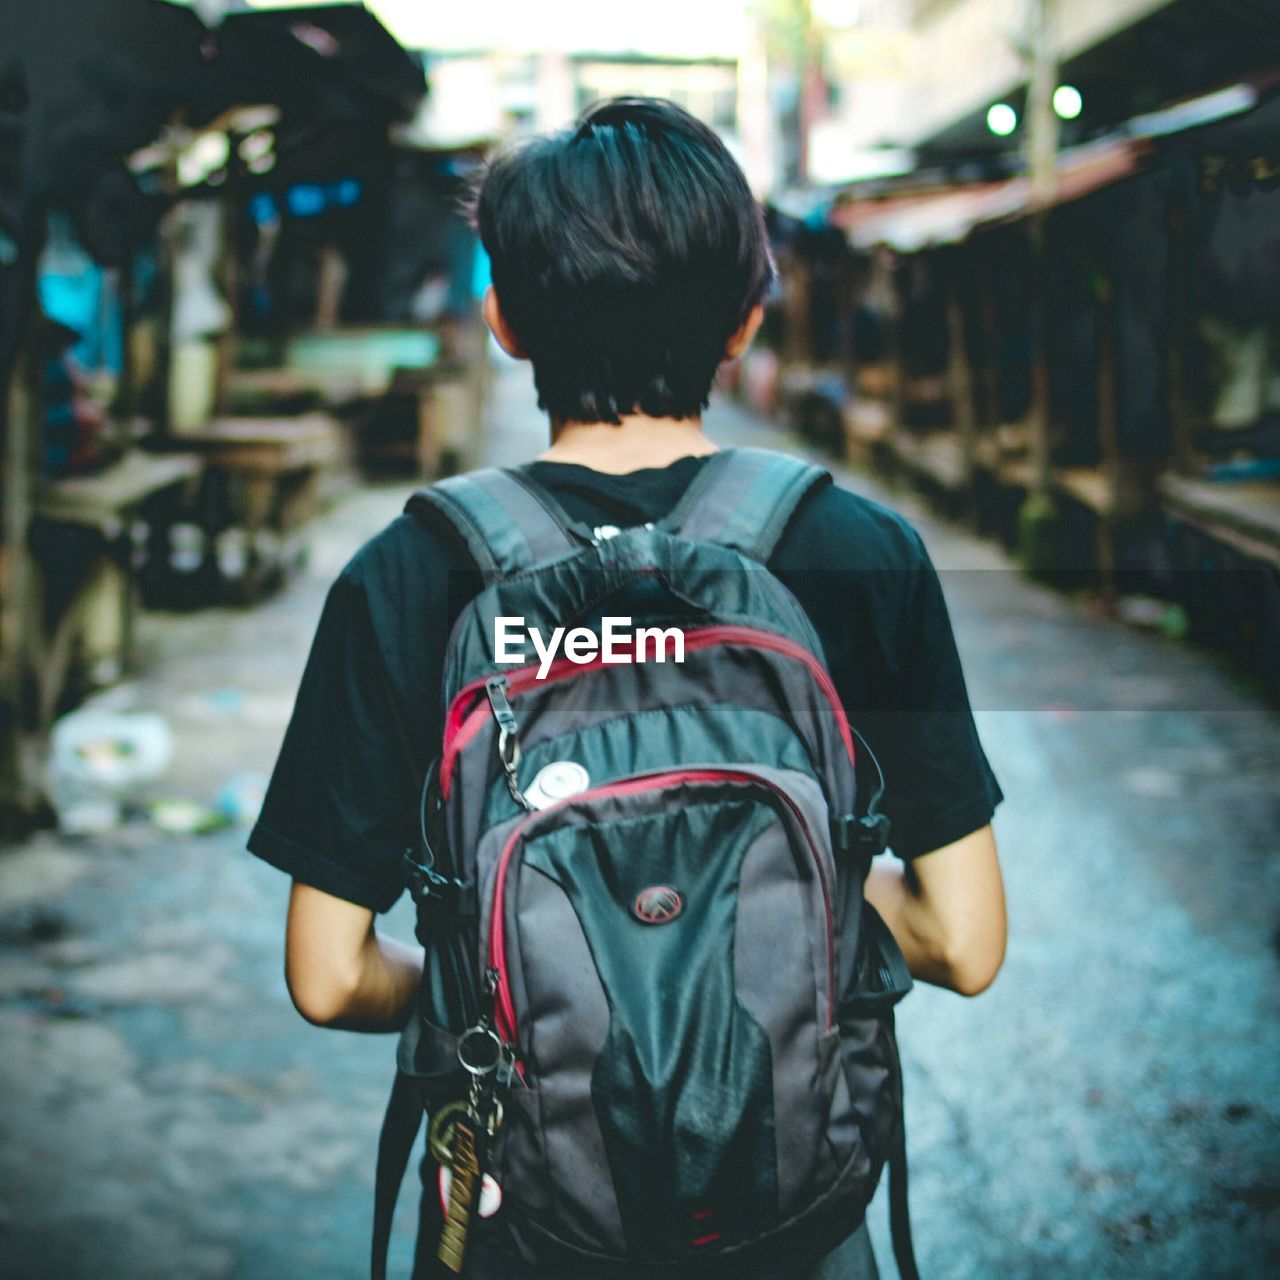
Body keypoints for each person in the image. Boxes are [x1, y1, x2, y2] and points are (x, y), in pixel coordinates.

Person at [249, 97, 1007, 1279]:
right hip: (792, 1221)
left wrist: (479, 984)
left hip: (517, 1219)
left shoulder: (408, 573)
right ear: (745, 321)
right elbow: (961, 942)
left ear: (502, 315)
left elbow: (326, 970)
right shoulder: (859, 551)